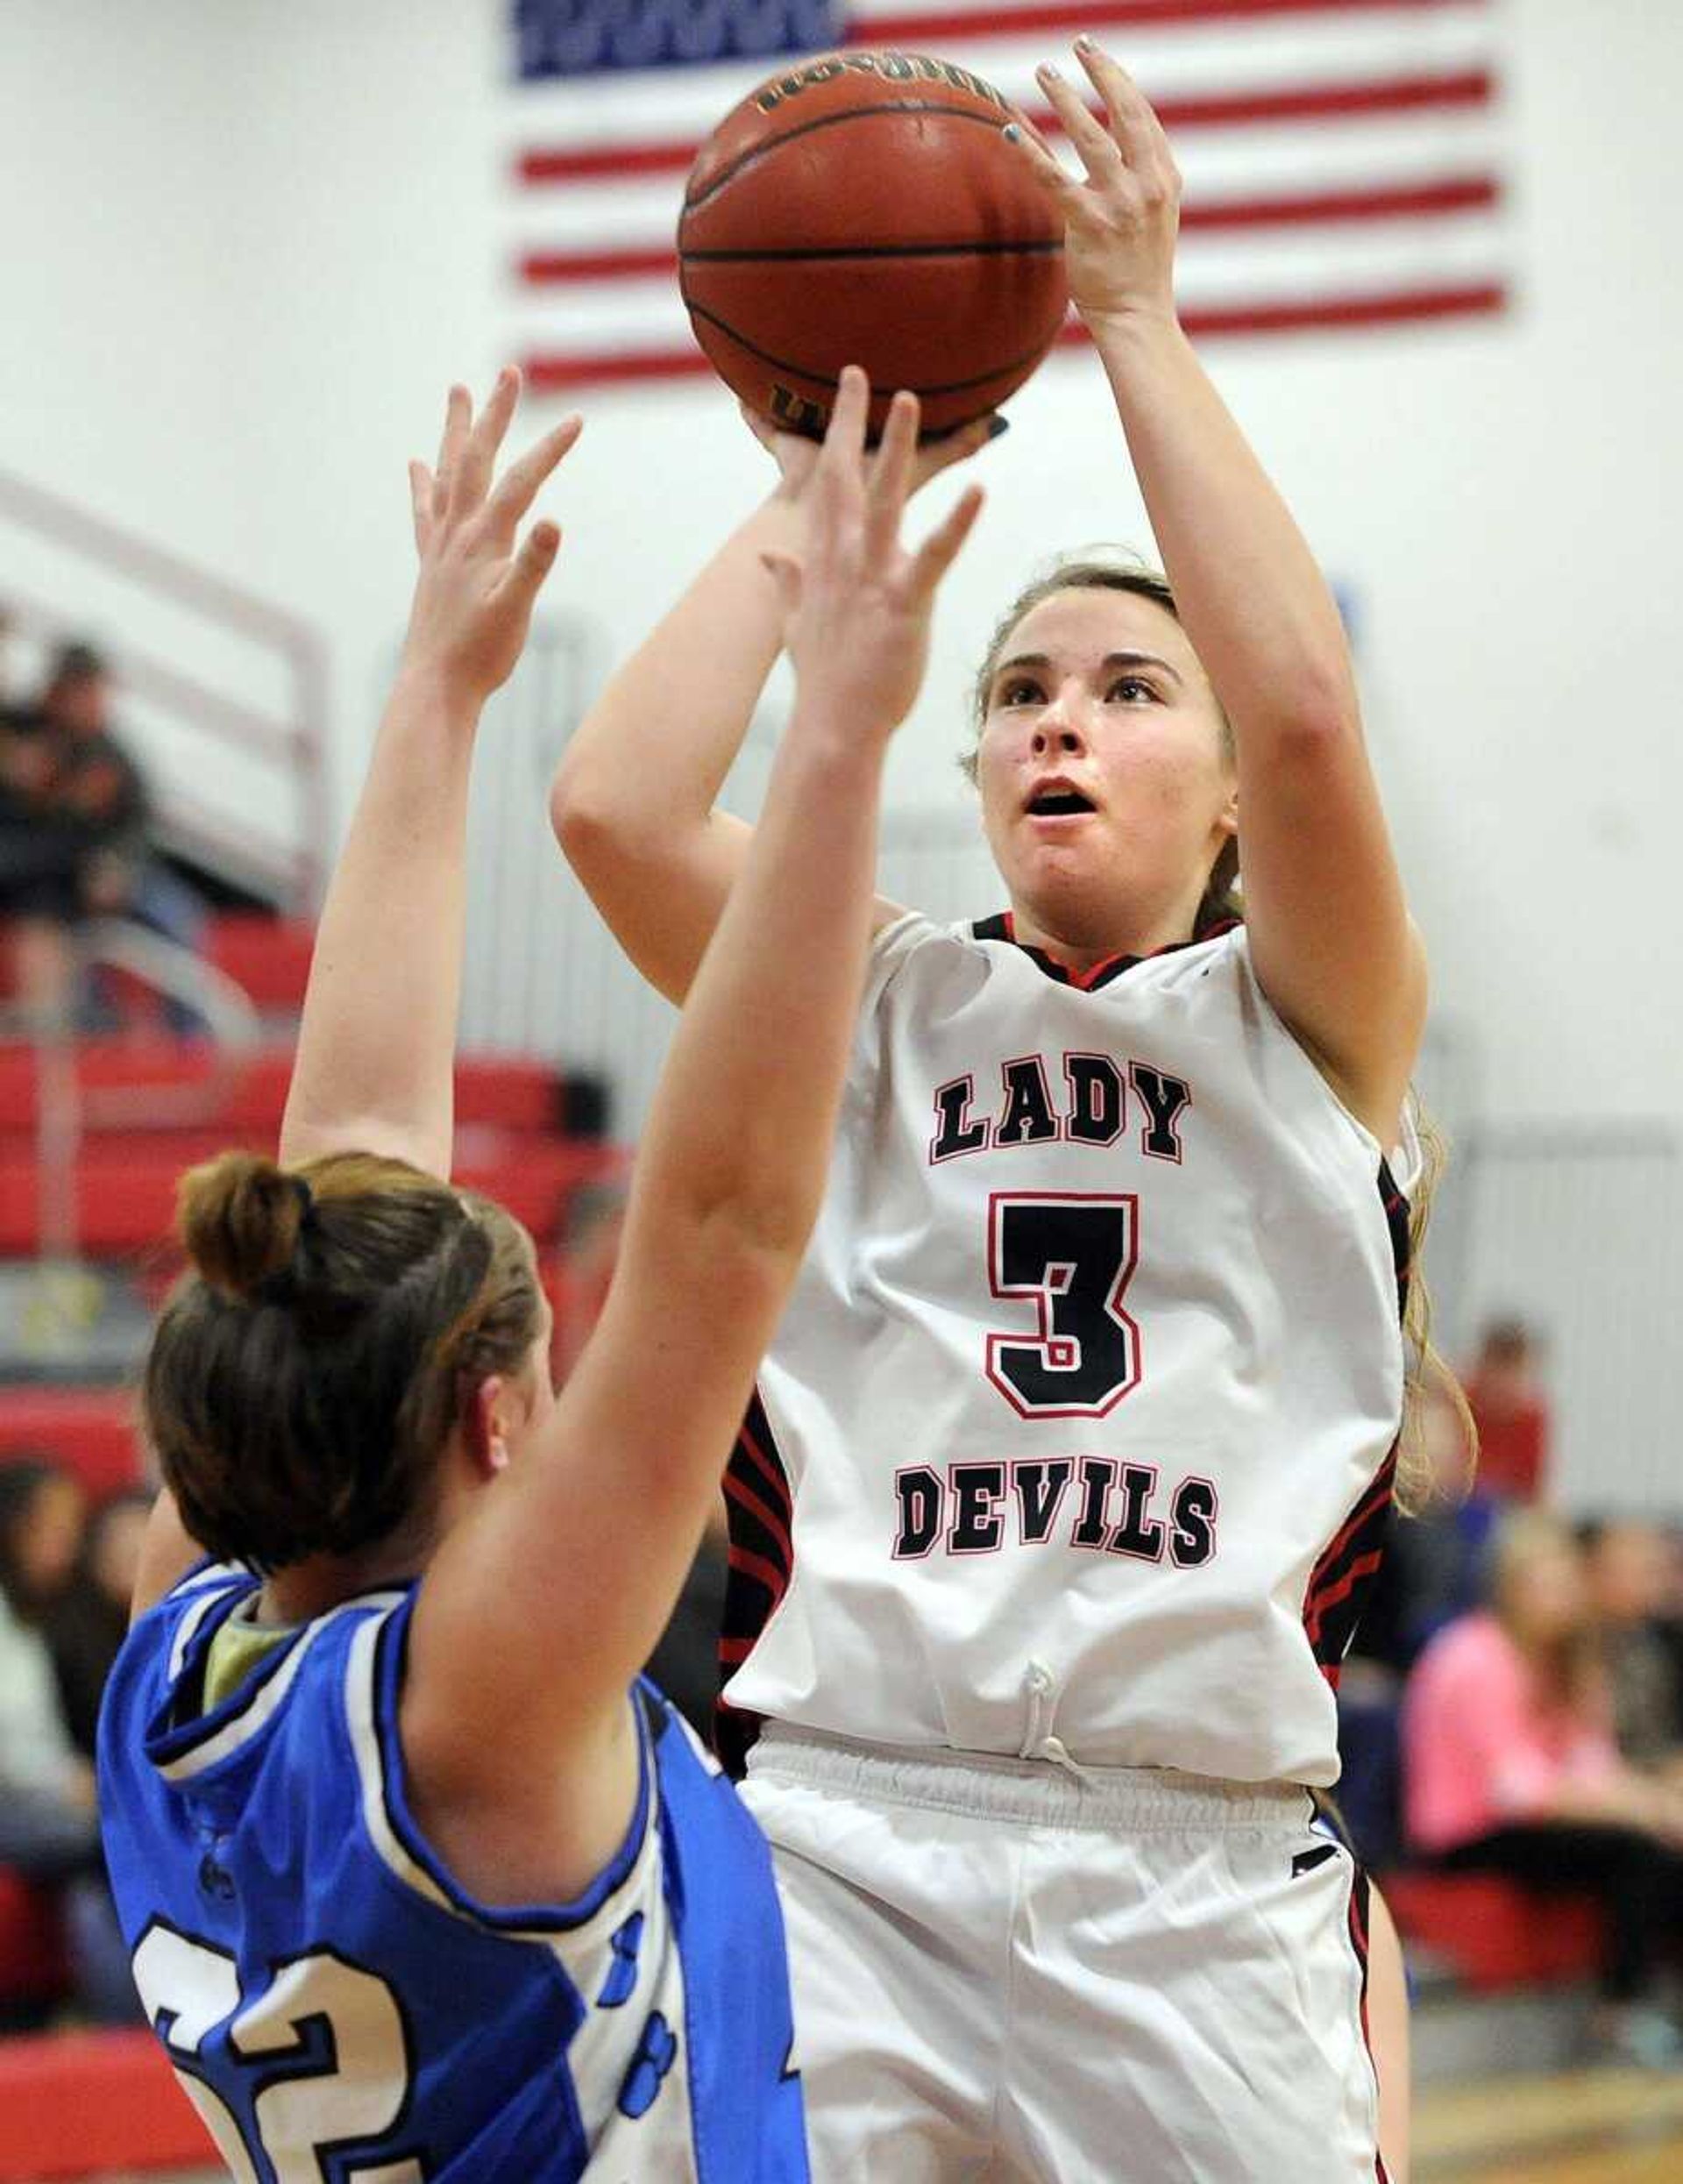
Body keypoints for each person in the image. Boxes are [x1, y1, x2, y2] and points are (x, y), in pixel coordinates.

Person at [554, 36, 1447, 2182]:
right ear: (968, 771)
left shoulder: (1311, 1017)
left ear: (1223, 792)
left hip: (1198, 1871)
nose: (1062, 718)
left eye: (1131, 689)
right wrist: (822, 469)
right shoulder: (859, 993)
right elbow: (610, 801)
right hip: (852, 1829)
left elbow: (1313, 712)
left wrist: (1129, 321)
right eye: (1020, 690)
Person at [97, 364, 980, 2178]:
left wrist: (440, 687)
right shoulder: (478, 1702)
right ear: (497, 1418)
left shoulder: (177, 1664)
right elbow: (723, 1225)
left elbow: (352, 1135)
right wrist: (835, 748)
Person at [1404, 1512, 1683, 2065]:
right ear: (1511, 1587)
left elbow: (1594, 1764)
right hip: (1468, 1833)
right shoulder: (1473, 1655)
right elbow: (1518, 1792)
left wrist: (1657, 1804)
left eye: (1565, 1584)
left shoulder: (1573, 1662)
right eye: (1544, 1584)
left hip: (1541, 1823)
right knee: (1638, 1854)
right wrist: (1642, 1811)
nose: (1560, 1599)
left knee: (1662, 1843)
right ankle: (1618, 2014)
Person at [0, 1456, 135, 2022]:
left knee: (98, 1867)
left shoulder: (54, 1617)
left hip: (46, 1798)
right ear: (15, 1530)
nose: (70, 1544)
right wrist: (70, 1780)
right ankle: (130, 2022)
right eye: (56, 1528)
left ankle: (115, 2019)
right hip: (17, 1801)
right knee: (113, 1834)